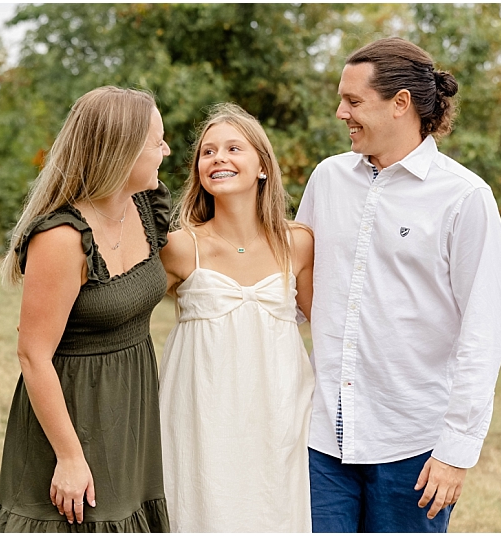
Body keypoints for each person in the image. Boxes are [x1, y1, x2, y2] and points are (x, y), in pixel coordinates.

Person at [295, 37, 501, 533]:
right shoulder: (327, 179)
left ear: (401, 104)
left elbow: (482, 334)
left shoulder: (465, 197)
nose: (339, 111)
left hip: (413, 446)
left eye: (353, 101)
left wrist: (456, 451)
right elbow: (295, 286)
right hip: (322, 437)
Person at [0, 86, 173, 532]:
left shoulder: (145, 207)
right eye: (157, 142)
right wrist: (70, 456)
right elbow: (33, 355)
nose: (167, 151)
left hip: (130, 408)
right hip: (76, 412)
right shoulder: (61, 237)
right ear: (122, 151)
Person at [159, 103, 316, 532]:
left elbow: (330, 327)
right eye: (207, 153)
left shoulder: (298, 243)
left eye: (233, 148)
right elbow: (120, 306)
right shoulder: (179, 245)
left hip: (278, 412)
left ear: (262, 165)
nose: (218, 159)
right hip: (200, 412)